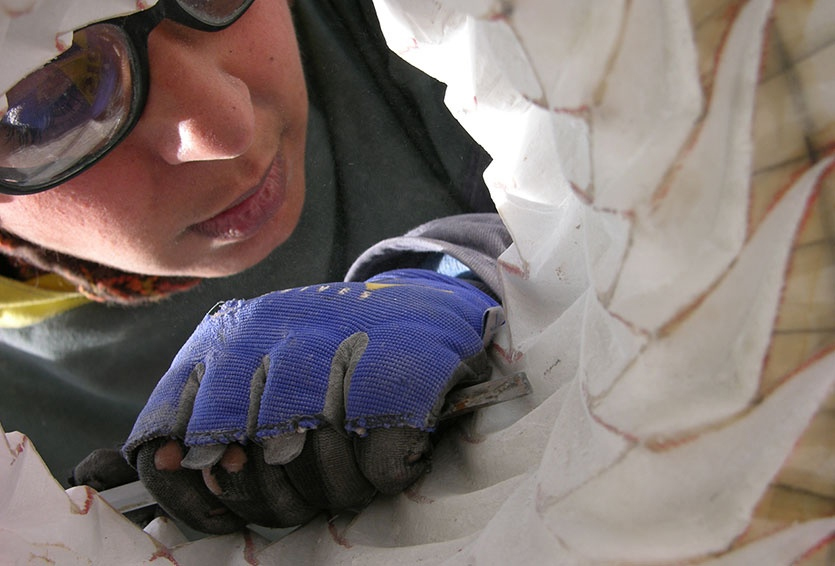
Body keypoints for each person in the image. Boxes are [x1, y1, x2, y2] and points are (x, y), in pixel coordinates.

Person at [0, 0, 510, 533]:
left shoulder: (407, 25)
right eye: (54, 103)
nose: (227, 128)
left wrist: (462, 269)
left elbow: (587, 195)